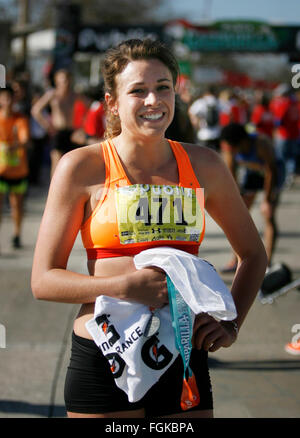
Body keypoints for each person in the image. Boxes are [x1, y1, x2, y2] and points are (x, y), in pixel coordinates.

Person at [31, 39, 267, 418]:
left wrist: (232, 322)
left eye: (163, 88)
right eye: (137, 91)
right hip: (104, 354)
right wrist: (121, 286)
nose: (153, 100)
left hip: (184, 352)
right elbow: (43, 281)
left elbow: (253, 254)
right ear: (112, 102)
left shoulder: (205, 165)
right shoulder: (82, 167)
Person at [219, 123, 283, 272]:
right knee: (238, 218)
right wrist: (235, 199)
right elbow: (231, 175)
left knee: (268, 216)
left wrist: (267, 200)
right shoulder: (230, 148)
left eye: (231, 147)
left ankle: (267, 263)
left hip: (272, 174)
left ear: (241, 142)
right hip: (251, 173)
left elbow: (271, 171)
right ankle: (236, 260)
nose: (229, 150)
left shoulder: (261, 144)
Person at [31, 69, 81, 177]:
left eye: (68, 80)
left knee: (72, 163)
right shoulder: (53, 94)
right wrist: (47, 125)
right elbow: (36, 110)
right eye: (63, 80)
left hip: (71, 131)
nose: (66, 83)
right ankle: (53, 190)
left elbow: (91, 106)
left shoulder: (74, 95)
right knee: (56, 162)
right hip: (57, 131)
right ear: (57, 81)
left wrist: (82, 125)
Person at [0, 85, 30, 249]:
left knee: (16, 205)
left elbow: (25, 140)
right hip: (1, 171)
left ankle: (17, 234)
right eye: (4, 98)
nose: (7, 101)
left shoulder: (20, 119)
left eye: (10, 98)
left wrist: (14, 145)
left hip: (18, 170)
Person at [188, 85, 220, 150]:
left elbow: (191, 112)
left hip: (203, 134)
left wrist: (196, 124)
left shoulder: (201, 102)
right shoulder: (219, 101)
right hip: (217, 134)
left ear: (206, 93)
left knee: (203, 157)